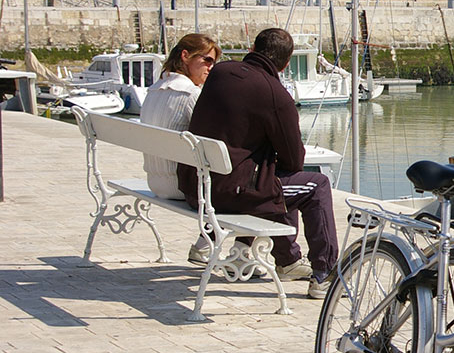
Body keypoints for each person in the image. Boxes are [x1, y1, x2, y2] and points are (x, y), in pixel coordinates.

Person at [182, 27, 337, 298]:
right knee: (316, 186)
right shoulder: (276, 95)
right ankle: (324, 275)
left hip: (194, 186)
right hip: (230, 195)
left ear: (252, 50)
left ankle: (287, 259)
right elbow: (294, 160)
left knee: (273, 180)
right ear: (286, 64)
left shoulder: (220, 72)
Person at [140, 34, 223, 264]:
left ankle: (207, 245)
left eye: (213, 62)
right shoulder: (191, 95)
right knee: (246, 188)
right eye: (206, 60)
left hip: (155, 180)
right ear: (185, 56)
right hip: (179, 187)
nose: (211, 67)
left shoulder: (153, 91)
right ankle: (220, 249)